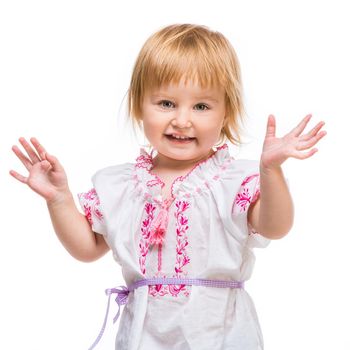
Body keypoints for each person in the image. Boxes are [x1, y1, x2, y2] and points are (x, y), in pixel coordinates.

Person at [10, 23, 326, 350]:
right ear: (138, 105)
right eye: (166, 103)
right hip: (142, 338)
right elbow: (87, 248)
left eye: (201, 106)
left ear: (225, 113)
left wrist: (270, 172)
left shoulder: (232, 182)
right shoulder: (121, 186)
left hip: (219, 335)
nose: (182, 120)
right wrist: (59, 198)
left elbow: (275, 226)